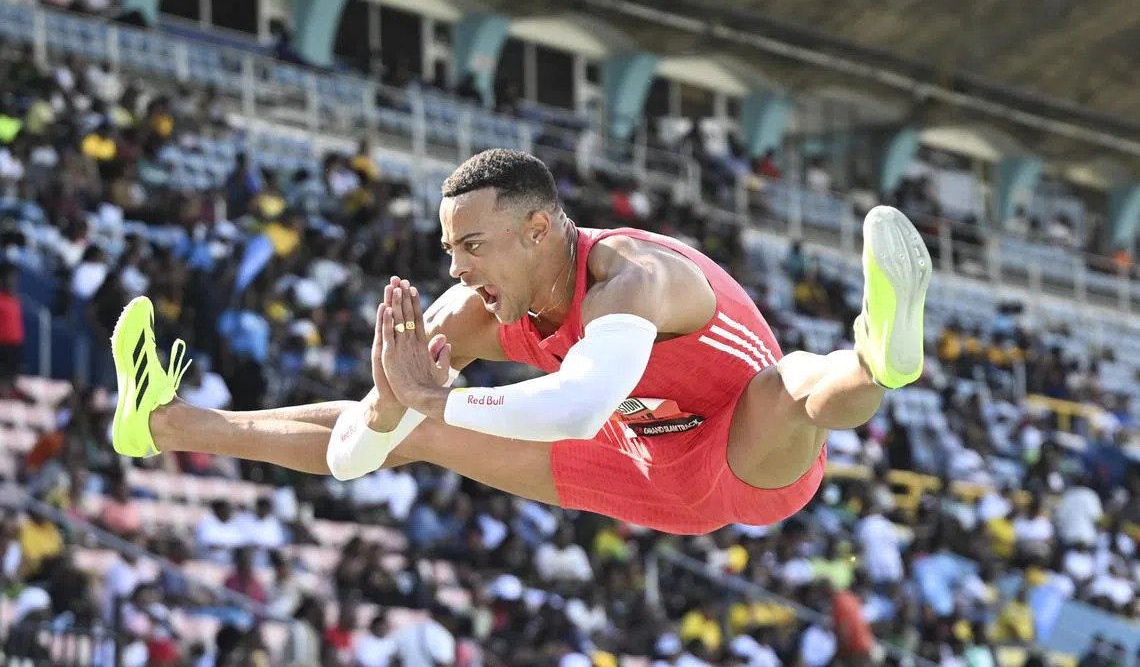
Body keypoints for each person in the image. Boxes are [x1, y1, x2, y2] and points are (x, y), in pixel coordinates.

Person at [107, 149, 931, 534]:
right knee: (421, 431)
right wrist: (395, 404)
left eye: (472, 246)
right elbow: (356, 456)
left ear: (539, 229)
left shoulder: (634, 279)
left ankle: (875, 354)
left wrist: (437, 399)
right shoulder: (471, 311)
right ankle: (164, 423)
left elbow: (576, 404)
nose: (457, 269)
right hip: (635, 465)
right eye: (449, 250)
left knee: (786, 383)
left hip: (743, 454)